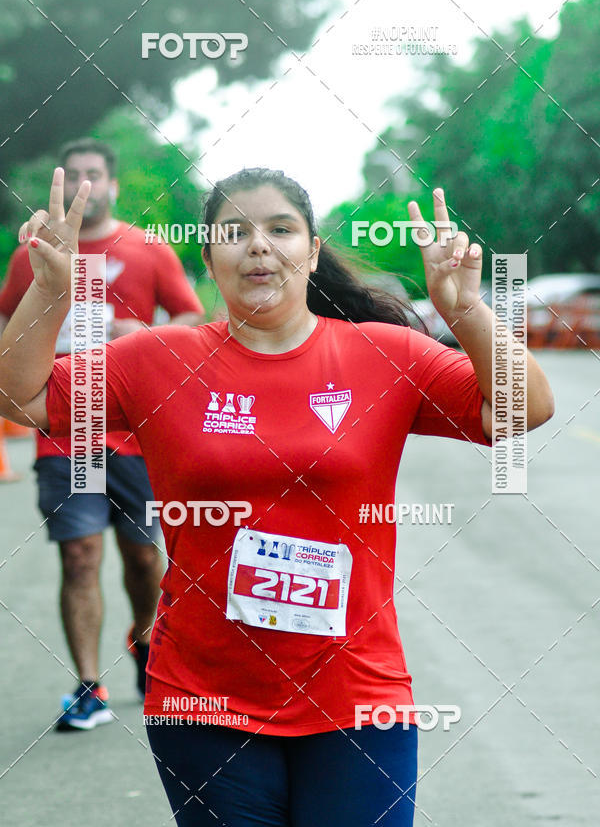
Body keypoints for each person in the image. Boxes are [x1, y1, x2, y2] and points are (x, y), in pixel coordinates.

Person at [0, 166, 554, 823]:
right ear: (209, 259)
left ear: (312, 251)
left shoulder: (385, 355)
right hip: (203, 701)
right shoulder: (155, 360)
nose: (258, 245)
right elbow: (21, 398)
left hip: (357, 697)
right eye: (234, 233)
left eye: (281, 229)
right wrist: (50, 292)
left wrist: (465, 310)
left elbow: (523, 409)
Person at [0, 140, 204, 730]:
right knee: (80, 553)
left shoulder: (147, 248)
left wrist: (141, 332)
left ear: (111, 184)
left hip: (135, 432)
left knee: (142, 556)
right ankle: (89, 685)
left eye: (94, 174)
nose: (83, 183)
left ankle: (145, 639)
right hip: (63, 430)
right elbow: (7, 318)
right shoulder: (34, 252)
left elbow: (190, 315)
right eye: (73, 174)